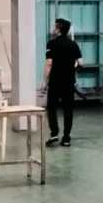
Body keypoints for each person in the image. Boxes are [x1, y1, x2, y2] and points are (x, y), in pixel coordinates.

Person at [44, 18, 81, 147]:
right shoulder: (73, 44)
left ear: (58, 29)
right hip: (69, 82)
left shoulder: (51, 44)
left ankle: (54, 133)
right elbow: (80, 62)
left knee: (51, 108)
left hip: (55, 81)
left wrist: (44, 81)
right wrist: (72, 67)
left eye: (55, 26)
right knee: (68, 110)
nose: (53, 29)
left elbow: (49, 63)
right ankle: (66, 138)